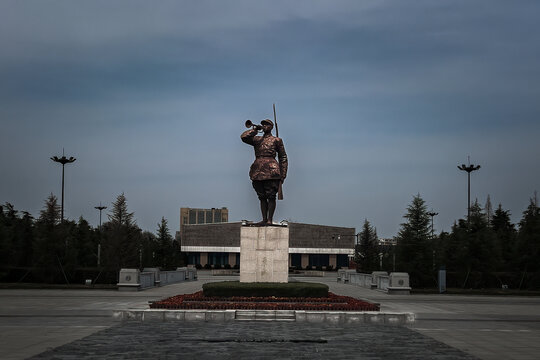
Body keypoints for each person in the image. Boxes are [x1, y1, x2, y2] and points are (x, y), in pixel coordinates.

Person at [241, 119, 288, 225]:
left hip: (272, 170)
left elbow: (283, 157)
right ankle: (264, 219)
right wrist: (255, 130)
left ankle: (269, 219)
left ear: (271, 127)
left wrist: (283, 174)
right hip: (257, 169)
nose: (264, 126)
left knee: (271, 196)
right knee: (261, 196)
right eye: (263, 124)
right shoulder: (257, 139)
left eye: (266, 124)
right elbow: (244, 137)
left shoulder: (277, 140)